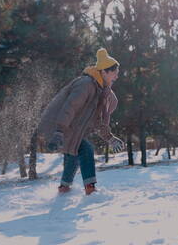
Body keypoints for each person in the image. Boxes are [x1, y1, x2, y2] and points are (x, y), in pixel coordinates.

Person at [37, 48, 124, 195]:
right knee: (86, 149)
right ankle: (90, 188)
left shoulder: (100, 92)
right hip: (57, 124)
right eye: (114, 72)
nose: (117, 76)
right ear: (103, 71)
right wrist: (58, 131)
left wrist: (109, 138)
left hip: (69, 127)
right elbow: (69, 107)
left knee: (74, 152)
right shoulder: (86, 84)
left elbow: (99, 122)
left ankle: (64, 188)